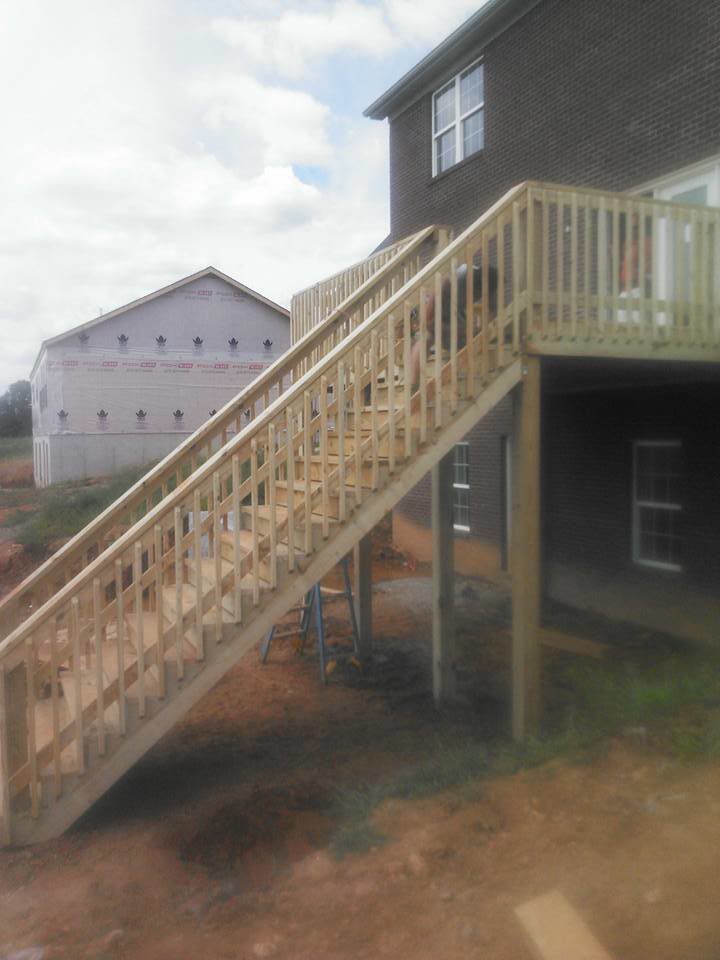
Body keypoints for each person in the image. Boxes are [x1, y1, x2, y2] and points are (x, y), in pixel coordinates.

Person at [409, 260, 498, 389]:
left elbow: (492, 311)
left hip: (455, 310)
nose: (477, 295)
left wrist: (483, 331)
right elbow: (438, 292)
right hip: (434, 304)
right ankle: (413, 384)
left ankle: (453, 379)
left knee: (464, 337)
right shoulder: (462, 276)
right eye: (476, 292)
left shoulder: (490, 287)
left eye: (480, 293)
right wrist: (427, 318)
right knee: (427, 338)